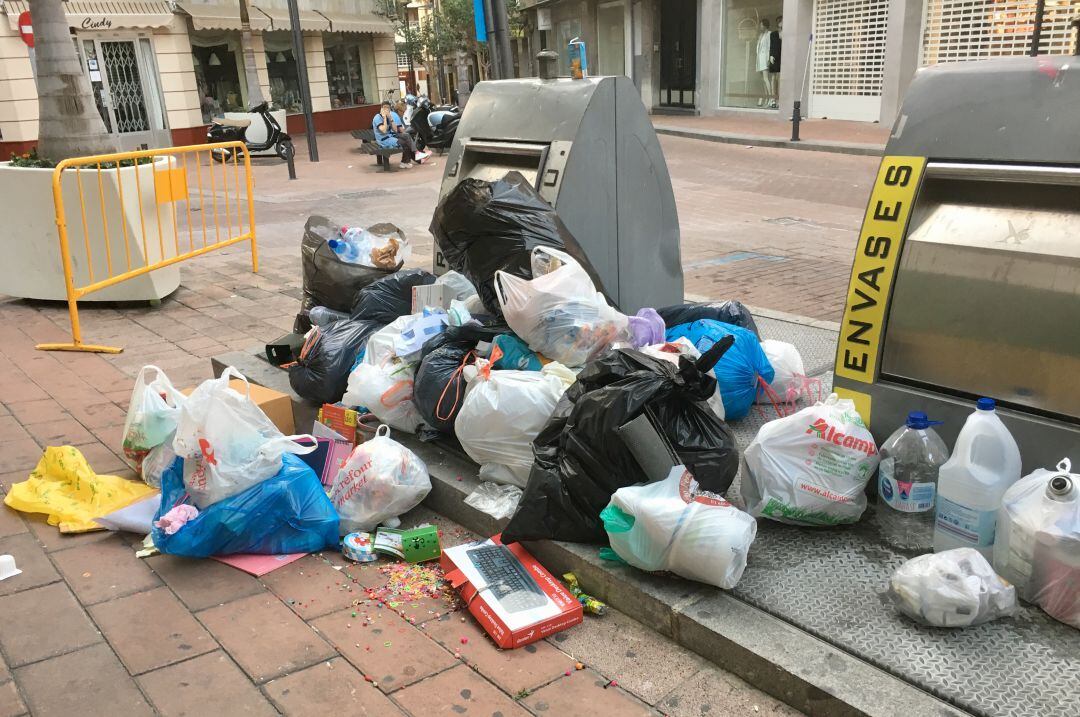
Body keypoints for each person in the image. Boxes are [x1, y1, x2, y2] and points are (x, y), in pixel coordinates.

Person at [372, 101, 429, 168]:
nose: (386, 110)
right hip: (383, 140)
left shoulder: (389, 117)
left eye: (388, 108)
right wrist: (384, 118)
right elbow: (384, 130)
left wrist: (390, 119)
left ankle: (413, 157)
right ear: (381, 108)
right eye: (384, 108)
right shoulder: (377, 118)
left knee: (406, 137)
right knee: (405, 143)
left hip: (390, 137)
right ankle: (406, 161)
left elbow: (395, 130)